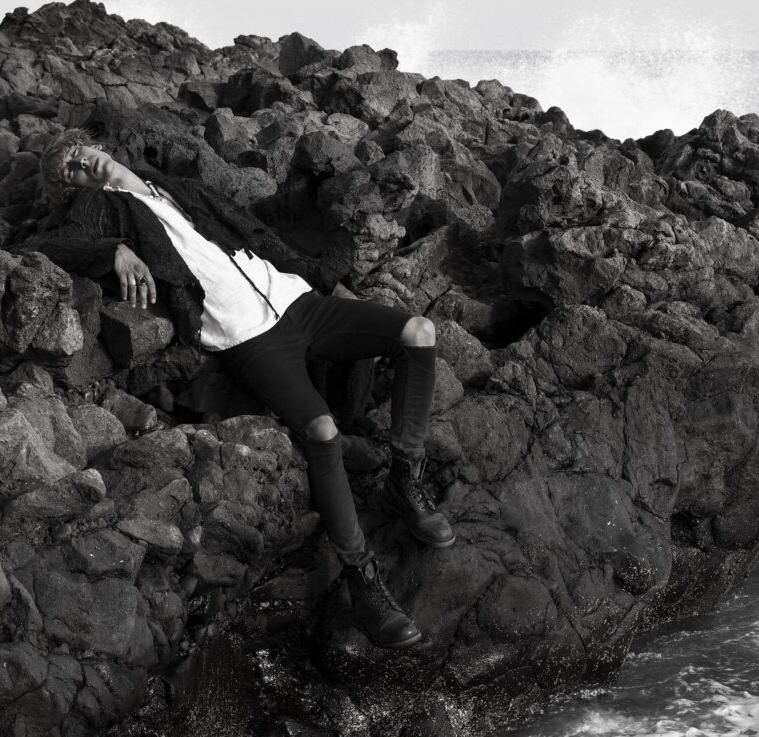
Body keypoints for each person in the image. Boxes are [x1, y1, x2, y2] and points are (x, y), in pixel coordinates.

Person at [30, 128, 455, 648]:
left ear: (101, 148)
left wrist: (323, 279)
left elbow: (253, 229)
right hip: (248, 338)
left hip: (298, 302)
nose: (82, 164)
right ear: (72, 185)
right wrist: (113, 251)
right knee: (320, 431)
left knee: (419, 332)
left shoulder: (170, 187)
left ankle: (404, 480)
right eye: (69, 168)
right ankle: (360, 579)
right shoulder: (102, 207)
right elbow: (48, 243)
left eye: (81, 152)